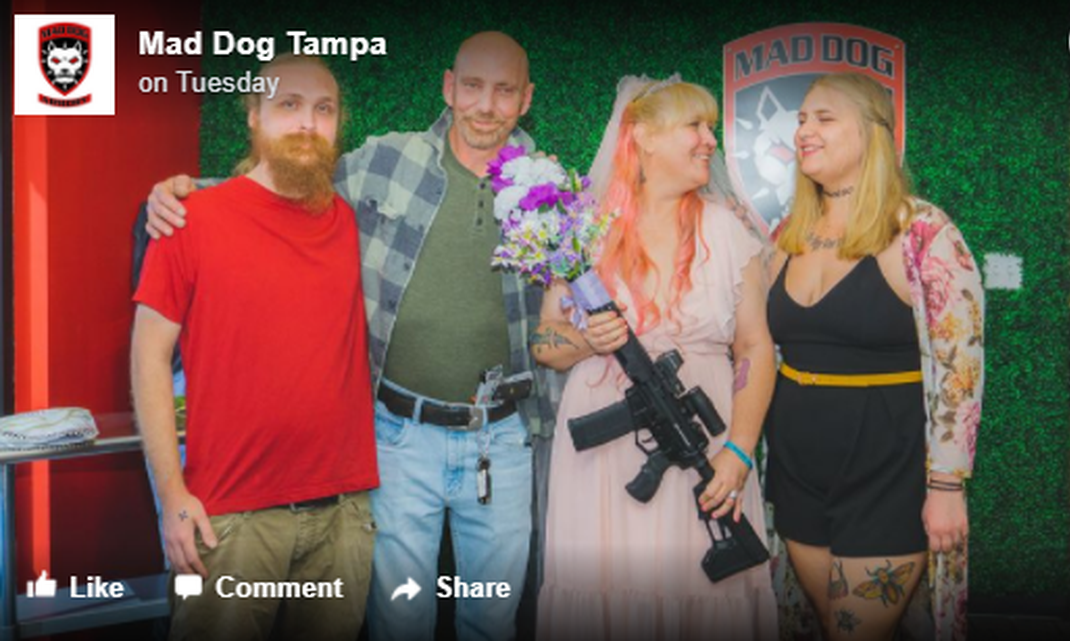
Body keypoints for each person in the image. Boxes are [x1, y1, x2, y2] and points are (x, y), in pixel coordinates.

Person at [144, 32, 560, 641]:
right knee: (398, 622)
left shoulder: (552, 191)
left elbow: (573, 300)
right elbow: (286, 177)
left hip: (498, 441)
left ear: (526, 99)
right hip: (398, 437)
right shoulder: (386, 162)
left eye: (504, 91)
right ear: (449, 87)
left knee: (493, 618)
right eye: (473, 86)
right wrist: (179, 194)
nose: (486, 105)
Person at [131, 54, 378, 641]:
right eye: (288, 105)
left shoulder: (350, 222)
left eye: (323, 109)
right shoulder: (189, 220)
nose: (307, 123)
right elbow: (147, 360)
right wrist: (172, 496)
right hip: (230, 520)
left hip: (343, 516)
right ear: (253, 115)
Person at [529, 76, 779, 640]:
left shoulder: (728, 229)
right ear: (642, 136)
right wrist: (589, 340)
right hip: (599, 465)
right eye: (695, 126)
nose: (710, 141)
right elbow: (544, 344)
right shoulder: (583, 230)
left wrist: (739, 452)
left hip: (709, 448)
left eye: (711, 127)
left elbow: (756, 347)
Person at [763, 72, 983, 641]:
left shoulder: (924, 231)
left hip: (887, 468)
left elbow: (960, 364)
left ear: (873, 132)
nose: (804, 130)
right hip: (796, 467)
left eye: (824, 118)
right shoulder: (787, 234)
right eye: (801, 119)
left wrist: (947, 486)